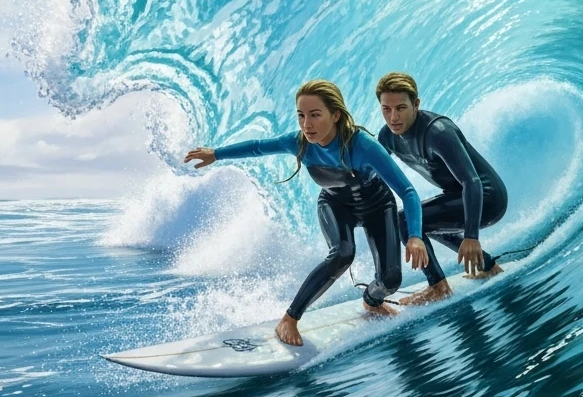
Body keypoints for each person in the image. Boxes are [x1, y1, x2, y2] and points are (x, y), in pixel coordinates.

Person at [185, 79, 429, 346]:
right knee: (342, 254)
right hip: (336, 205)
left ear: (335, 115)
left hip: (377, 205)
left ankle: (372, 301)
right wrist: (216, 154)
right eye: (301, 115)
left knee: (391, 279)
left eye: (315, 115)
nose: (306, 124)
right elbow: (258, 146)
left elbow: (407, 191)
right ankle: (289, 319)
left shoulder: (362, 145)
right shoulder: (299, 143)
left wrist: (415, 236)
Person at [375, 72, 508, 306]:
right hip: (457, 198)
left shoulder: (437, 132)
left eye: (401, 108)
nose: (393, 117)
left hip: (487, 198)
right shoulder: (387, 137)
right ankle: (487, 266)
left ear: (416, 105)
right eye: (386, 109)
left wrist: (471, 236)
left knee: (404, 221)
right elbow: (373, 175)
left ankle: (438, 287)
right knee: (416, 219)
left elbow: (471, 181)